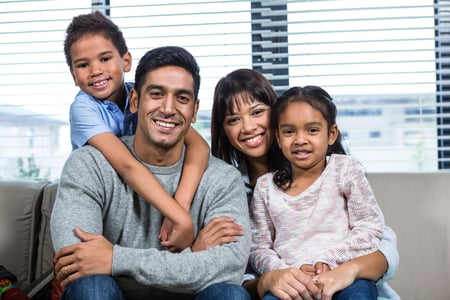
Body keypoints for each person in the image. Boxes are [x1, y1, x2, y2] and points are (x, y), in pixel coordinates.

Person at [50, 46, 251, 300]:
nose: (168, 108)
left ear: (194, 110)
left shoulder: (222, 179)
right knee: (92, 287)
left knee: (230, 295)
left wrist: (115, 258)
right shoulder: (88, 165)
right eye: (156, 94)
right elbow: (77, 262)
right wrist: (193, 257)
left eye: (182, 98)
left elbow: (228, 270)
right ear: (134, 100)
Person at [210, 69, 400, 300]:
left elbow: (378, 236)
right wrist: (277, 275)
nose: (248, 126)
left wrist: (337, 266)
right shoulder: (234, 188)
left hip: (342, 278)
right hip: (283, 286)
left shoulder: (337, 169)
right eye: (233, 119)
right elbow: (247, 257)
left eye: (258, 112)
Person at [64, 11, 211, 250]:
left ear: (126, 61)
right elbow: (127, 166)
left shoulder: (143, 96)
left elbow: (199, 145)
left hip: (131, 197)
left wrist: (182, 204)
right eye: (83, 65)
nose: (95, 71)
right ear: (73, 75)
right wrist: (180, 218)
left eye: (104, 59)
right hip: (94, 194)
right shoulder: (83, 108)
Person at [249, 85, 385, 300]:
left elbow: (370, 227)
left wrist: (328, 262)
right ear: (277, 137)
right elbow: (258, 248)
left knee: (360, 294)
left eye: (312, 130)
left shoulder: (345, 170)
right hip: (292, 284)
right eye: (289, 131)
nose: (300, 139)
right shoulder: (265, 187)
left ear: (331, 134)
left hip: (343, 277)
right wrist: (286, 272)